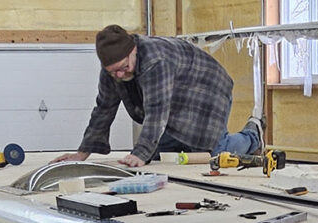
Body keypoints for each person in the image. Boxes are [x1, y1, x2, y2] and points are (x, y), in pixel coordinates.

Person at [53, 25, 264, 168]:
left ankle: (253, 134)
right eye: (112, 71)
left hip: (207, 88)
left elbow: (157, 110)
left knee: (214, 152)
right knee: (160, 156)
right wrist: (82, 154)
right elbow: (104, 109)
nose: (119, 75)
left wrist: (140, 153)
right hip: (176, 96)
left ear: (133, 50)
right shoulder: (113, 70)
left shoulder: (155, 60)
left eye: (124, 67)